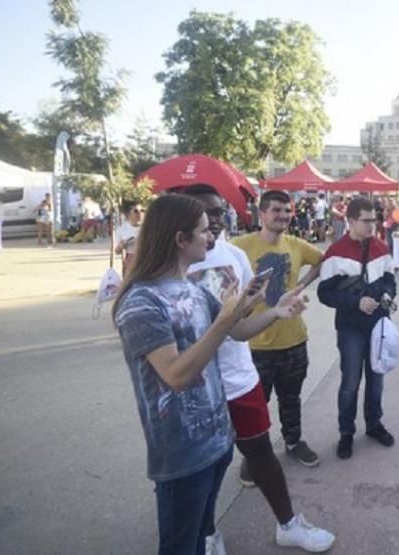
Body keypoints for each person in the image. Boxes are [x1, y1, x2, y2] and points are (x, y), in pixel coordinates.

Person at [182, 186, 335, 553]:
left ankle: (288, 524)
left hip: (238, 377)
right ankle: (206, 533)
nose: (215, 221)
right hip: (192, 383)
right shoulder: (168, 263)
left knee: (261, 453)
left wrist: (277, 307)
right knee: (206, 465)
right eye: (206, 215)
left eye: (219, 212)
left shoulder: (233, 256)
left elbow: (240, 321)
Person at [113, 194, 263, 554]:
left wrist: (269, 310)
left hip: (216, 440)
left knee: (198, 537)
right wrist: (226, 318)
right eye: (202, 232)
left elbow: (235, 332)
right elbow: (176, 375)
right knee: (181, 545)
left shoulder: (193, 289)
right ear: (180, 240)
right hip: (181, 452)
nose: (211, 239)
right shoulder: (141, 303)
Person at [232, 190, 324, 469]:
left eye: (287, 210)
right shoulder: (240, 247)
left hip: (293, 340)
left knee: (291, 398)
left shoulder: (296, 245)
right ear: (262, 214)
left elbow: (321, 260)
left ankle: (293, 442)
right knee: (255, 408)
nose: (283, 216)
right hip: (255, 346)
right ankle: (254, 457)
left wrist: (301, 286)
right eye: (276, 210)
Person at [317, 197, 397, 459]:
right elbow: (324, 293)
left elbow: (390, 281)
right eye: (366, 220)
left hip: (379, 326)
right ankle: (346, 433)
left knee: (376, 380)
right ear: (350, 221)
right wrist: (355, 302)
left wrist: (386, 296)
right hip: (350, 328)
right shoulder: (336, 252)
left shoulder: (382, 248)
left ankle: (374, 425)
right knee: (350, 382)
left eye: (374, 219)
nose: (372, 225)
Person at [116, 201, 145, 276]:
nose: (140, 214)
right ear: (128, 215)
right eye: (136, 211)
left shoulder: (148, 227)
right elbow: (117, 251)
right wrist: (122, 245)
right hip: (131, 258)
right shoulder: (122, 229)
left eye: (142, 210)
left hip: (146, 258)